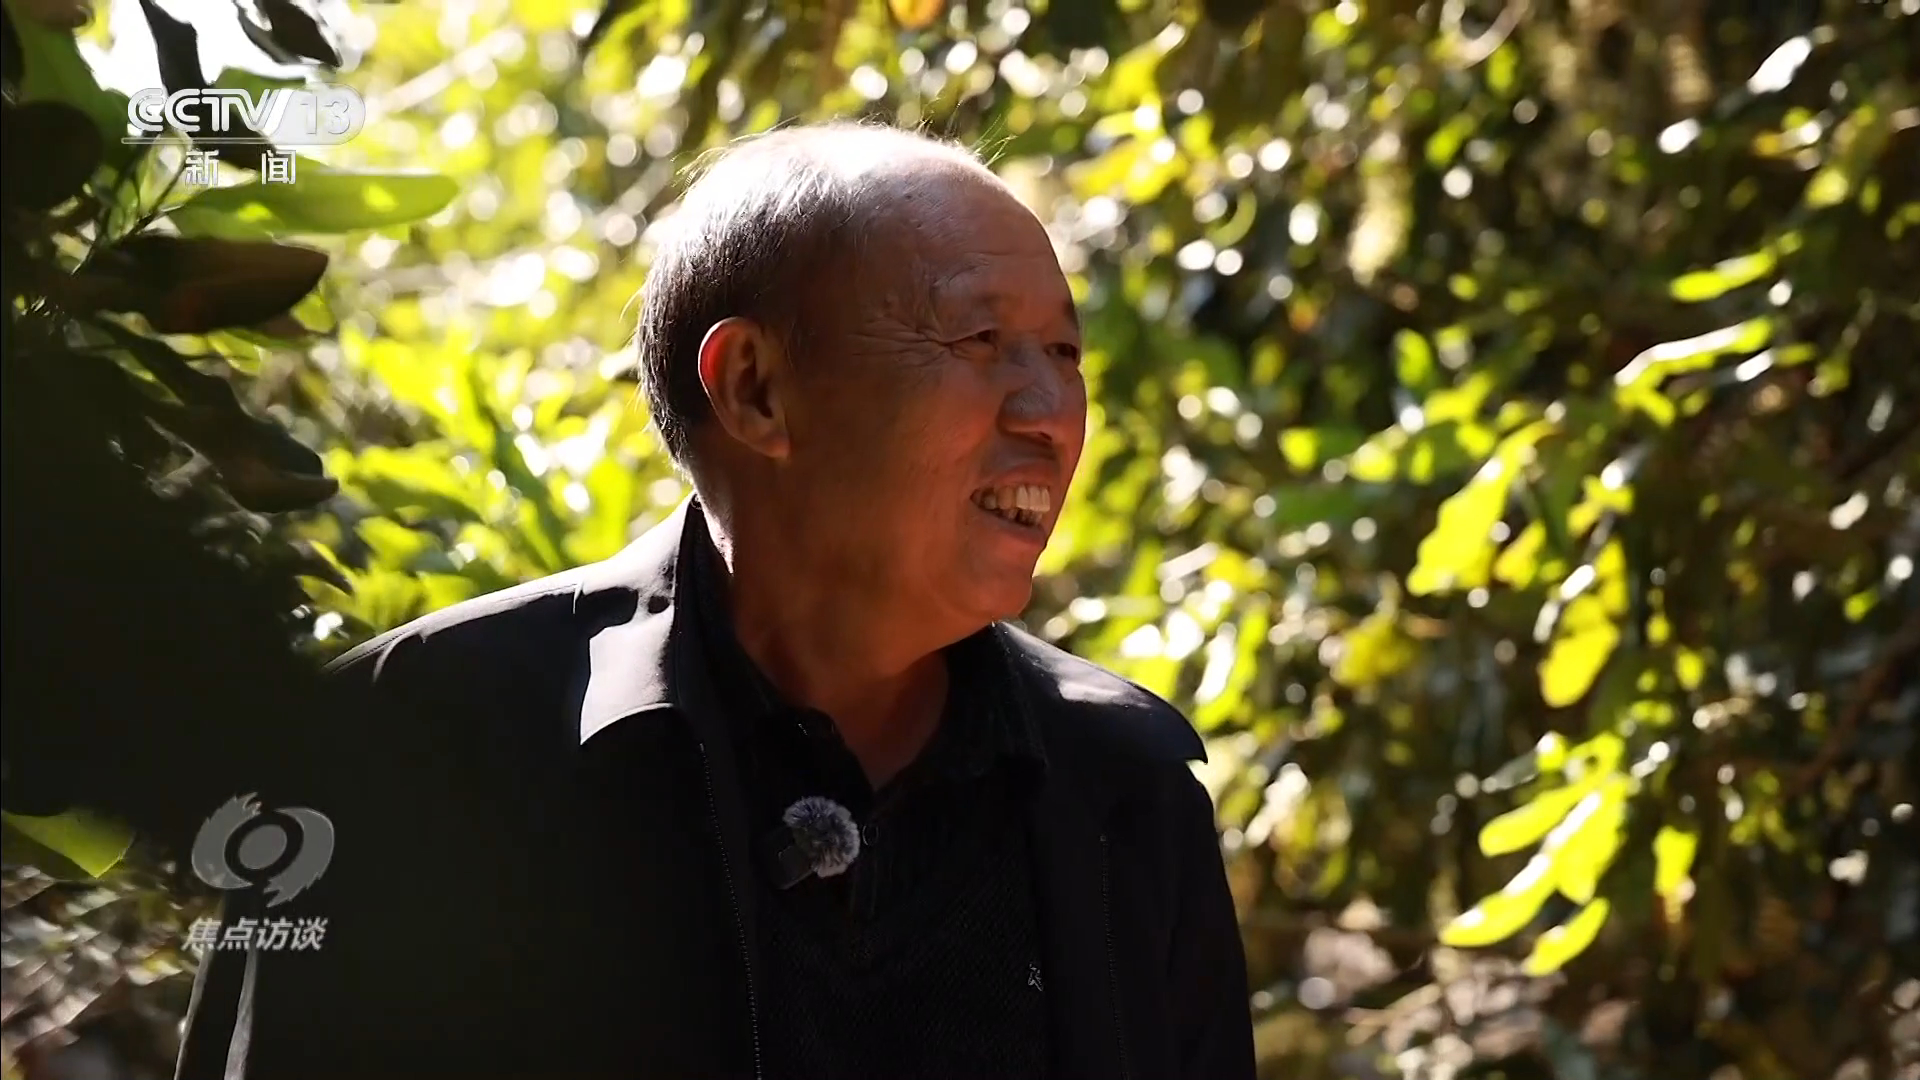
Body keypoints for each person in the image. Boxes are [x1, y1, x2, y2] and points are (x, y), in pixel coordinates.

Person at [175, 121, 1255, 1080]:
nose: (1050, 411)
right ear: (755, 389)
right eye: (980, 341)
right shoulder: (413, 748)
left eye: (1063, 351)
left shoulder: (1125, 789)